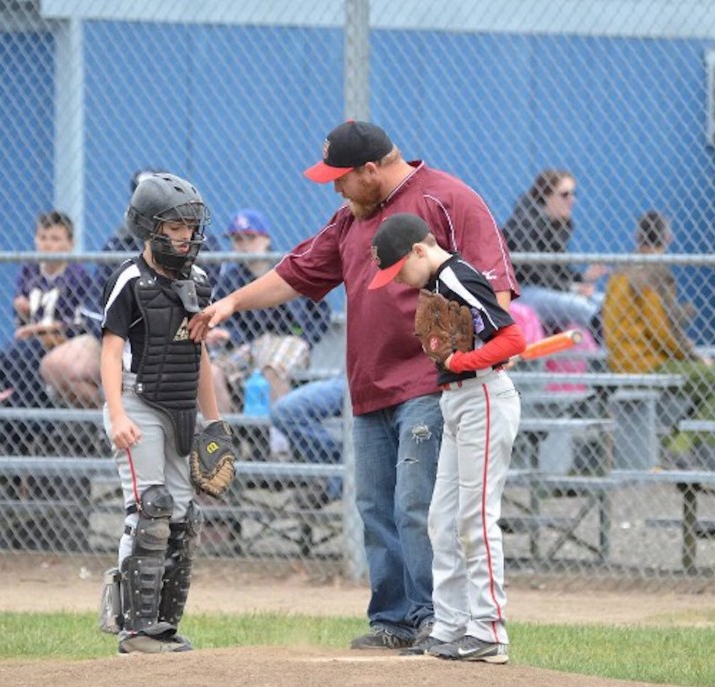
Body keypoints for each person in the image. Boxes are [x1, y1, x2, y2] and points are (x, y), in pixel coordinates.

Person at [186, 120, 518, 651]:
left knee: (416, 504)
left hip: (429, 385)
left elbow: (495, 294)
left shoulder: (449, 199)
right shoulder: (350, 220)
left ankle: (438, 618)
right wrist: (231, 302)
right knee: (375, 507)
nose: (335, 189)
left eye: (341, 178)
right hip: (367, 387)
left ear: (371, 169)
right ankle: (394, 620)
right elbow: (297, 270)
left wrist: (473, 361)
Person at [368, 212, 524, 663]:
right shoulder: (437, 283)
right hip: (459, 401)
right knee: (442, 518)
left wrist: (459, 362)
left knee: (475, 519)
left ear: (420, 250)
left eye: (400, 269)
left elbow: (512, 339)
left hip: (484, 399)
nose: (399, 280)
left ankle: (489, 632)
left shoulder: (455, 277)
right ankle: (453, 625)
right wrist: (455, 363)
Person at [99, 171, 222, 654]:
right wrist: (116, 415)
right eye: (174, 226)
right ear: (149, 226)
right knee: (149, 511)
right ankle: (133, 629)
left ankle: (163, 626)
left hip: (180, 407)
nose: (185, 235)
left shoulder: (199, 281)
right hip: (136, 403)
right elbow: (109, 353)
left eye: (190, 226)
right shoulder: (129, 279)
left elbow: (201, 358)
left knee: (183, 516)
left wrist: (213, 422)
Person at [602, 211, 715, 466]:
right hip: (645, 363)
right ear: (668, 237)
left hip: (625, 360)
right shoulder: (651, 271)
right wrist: (693, 356)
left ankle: (682, 443)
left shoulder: (625, 268)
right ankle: (679, 445)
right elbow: (660, 331)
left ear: (637, 237)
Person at [40, 169, 158, 409]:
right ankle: (116, 417)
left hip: (165, 340)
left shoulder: (189, 244)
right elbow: (94, 303)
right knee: (53, 366)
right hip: (115, 336)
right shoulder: (116, 245)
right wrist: (115, 336)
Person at [0, 210, 93, 452]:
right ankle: (21, 431)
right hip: (28, 342)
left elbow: (82, 323)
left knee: (22, 359)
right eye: (42, 237)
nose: (47, 244)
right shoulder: (30, 270)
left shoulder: (77, 275)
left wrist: (47, 328)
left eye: (55, 239)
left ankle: (34, 432)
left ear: (70, 244)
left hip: (57, 343)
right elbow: (21, 318)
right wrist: (20, 309)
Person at [205, 209, 331, 414]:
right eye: (236, 239)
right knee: (212, 372)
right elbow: (231, 326)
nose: (243, 245)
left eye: (249, 238)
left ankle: (279, 443)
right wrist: (228, 335)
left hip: (287, 340)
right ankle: (224, 440)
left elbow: (320, 313)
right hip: (250, 345)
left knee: (272, 368)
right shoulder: (231, 279)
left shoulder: (289, 269)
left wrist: (306, 339)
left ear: (266, 239)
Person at [502, 169, 607, 334]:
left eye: (574, 194)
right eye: (565, 195)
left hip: (548, 289)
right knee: (582, 307)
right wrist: (571, 289)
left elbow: (558, 271)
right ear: (546, 196)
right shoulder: (524, 222)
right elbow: (535, 272)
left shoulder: (556, 224)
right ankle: (607, 356)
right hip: (523, 290)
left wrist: (582, 279)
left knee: (604, 301)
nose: (572, 200)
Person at [270, 374, 347, 509]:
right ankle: (335, 465)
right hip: (348, 375)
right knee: (284, 410)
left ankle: (331, 485)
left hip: (381, 379)